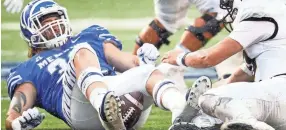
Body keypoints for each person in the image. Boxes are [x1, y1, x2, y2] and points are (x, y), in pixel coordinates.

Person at [5, 0, 191, 129]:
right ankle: (104, 105)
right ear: (30, 32)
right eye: (45, 23)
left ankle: (180, 112)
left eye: (56, 20)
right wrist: (16, 124)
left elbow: (129, 62)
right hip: (79, 109)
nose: (54, 25)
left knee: (153, 70)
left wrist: (143, 59)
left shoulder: (90, 35)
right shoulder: (27, 69)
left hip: (118, 99)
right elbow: (13, 115)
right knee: (82, 51)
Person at [162, 0, 286, 129]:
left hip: (279, 94)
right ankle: (203, 125)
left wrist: (181, 57)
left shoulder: (260, 12)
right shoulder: (277, 13)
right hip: (276, 97)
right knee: (217, 105)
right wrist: (215, 90)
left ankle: (250, 124)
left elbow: (207, 58)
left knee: (209, 99)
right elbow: (243, 74)